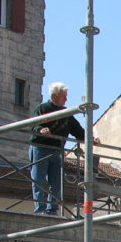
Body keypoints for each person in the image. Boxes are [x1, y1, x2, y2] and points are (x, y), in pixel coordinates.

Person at [29, 82, 94, 215]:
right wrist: (40, 129)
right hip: (40, 148)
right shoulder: (43, 108)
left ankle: (52, 209)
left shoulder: (66, 114)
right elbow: (32, 125)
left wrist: (91, 139)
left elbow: (78, 131)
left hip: (57, 151)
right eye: (64, 96)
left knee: (56, 182)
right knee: (39, 179)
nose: (66, 99)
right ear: (54, 96)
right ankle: (40, 210)